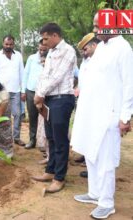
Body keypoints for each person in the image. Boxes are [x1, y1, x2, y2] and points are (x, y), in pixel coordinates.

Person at [71, 11, 133, 219]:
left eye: (98, 27)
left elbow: (129, 84)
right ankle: (94, 193)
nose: (96, 31)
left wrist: (125, 117)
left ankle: (107, 203)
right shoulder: (103, 48)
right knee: (91, 153)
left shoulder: (123, 48)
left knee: (106, 158)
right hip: (92, 112)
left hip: (110, 113)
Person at [32, 23, 76, 193]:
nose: (44, 42)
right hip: (49, 100)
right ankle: (50, 171)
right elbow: (44, 75)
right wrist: (39, 95)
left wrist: (40, 94)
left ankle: (59, 178)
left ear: (55, 35)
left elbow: (57, 77)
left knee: (60, 140)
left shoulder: (68, 51)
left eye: (45, 38)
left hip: (62, 99)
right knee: (51, 138)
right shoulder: (51, 52)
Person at [0, 35, 25, 146]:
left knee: (18, 114)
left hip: (16, 91)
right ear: (3, 44)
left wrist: (23, 90)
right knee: (4, 116)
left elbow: (22, 74)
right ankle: (4, 139)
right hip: (1, 92)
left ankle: (16, 137)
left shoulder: (18, 55)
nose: (8, 46)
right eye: (6, 44)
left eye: (10, 44)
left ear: (13, 44)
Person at [74, 33, 100, 178]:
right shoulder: (85, 61)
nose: (83, 53)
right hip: (84, 102)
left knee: (94, 135)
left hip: (95, 105)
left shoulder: (99, 61)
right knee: (86, 132)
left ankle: (94, 170)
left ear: (94, 46)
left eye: (85, 49)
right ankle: (87, 161)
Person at [22, 39, 48, 149]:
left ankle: (45, 142)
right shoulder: (31, 58)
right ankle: (32, 140)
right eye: (40, 49)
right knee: (32, 117)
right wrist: (23, 91)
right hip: (31, 91)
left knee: (46, 117)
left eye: (44, 49)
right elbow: (26, 74)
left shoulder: (51, 58)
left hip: (45, 93)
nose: (41, 51)